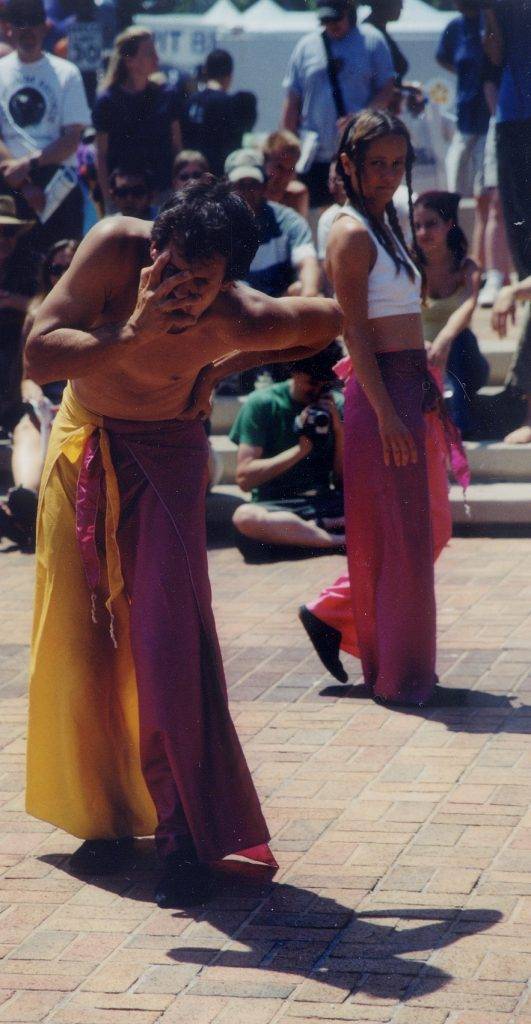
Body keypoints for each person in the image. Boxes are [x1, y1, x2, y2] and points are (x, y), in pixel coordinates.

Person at [24, 176, 342, 907]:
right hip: (82, 448)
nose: (179, 292)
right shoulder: (111, 247)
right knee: (78, 644)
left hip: (165, 463)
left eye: (199, 284)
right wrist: (132, 333)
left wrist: (220, 364)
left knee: (169, 648)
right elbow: (40, 355)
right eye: (168, 271)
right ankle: (101, 819)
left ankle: (183, 841)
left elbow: (328, 318)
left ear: (226, 281)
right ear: (153, 248)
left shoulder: (240, 314)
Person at [299, 111, 467, 707]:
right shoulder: (348, 231)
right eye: (376, 164)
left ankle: (394, 657)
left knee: (420, 530)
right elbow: (355, 333)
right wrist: (389, 412)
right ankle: (401, 675)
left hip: (408, 386)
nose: (389, 175)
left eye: (398, 163)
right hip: (381, 396)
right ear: (347, 164)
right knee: (398, 538)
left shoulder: (385, 222)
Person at [230, 343, 345, 562]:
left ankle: (312, 533)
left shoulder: (336, 405)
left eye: (325, 385)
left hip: (323, 501)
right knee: (245, 517)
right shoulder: (263, 403)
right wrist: (300, 450)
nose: (317, 392)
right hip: (276, 505)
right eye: (311, 383)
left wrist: (340, 431)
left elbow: (344, 482)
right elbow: (244, 478)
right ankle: (336, 540)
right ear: (295, 372)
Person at [281, 0, 394, 214]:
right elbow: (292, 101)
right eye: (325, 19)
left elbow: (386, 90)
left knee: (354, 214)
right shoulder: (306, 46)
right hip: (313, 154)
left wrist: (361, 118)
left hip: (356, 152)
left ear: (349, 11)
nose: (331, 24)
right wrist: (287, 151)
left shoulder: (372, 40)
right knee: (313, 218)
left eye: (336, 18)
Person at [0, 237, 76, 550]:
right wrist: (37, 400)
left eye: (71, 267)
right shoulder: (36, 315)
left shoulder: (107, 311)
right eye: (57, 268)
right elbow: (28, 377)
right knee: (28, 424)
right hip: (48, 401)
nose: (63, 274)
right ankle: (23, 498)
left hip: (86, 399)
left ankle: (19, 518)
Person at [0, 0, 90, 253]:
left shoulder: (67, 73)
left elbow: (72, 138)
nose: (27, 31)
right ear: (8, 29)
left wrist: (28, 165)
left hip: (57, 181)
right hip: (11, 181)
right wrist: (24, 183)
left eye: (34, 24)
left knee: (60, 263)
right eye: (20, 24)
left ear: (45, 27)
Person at [483, 0, 531, 444]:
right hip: (515, 119)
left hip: (518, 121)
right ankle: (524, 395)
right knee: (526, 271)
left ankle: (523, 393)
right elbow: (495, 56)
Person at [414, 190, 488, 437]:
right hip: (422, 355)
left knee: (460, 343)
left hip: (461, 360)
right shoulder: (410, 267)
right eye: (418, 226)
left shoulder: (468, 266)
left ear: (448, 225)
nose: (423, 233)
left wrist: (444, 339)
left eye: (431, 224)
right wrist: (419, 342)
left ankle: (458, 430)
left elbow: (468, 306)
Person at [92, 27, 182, 212]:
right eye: (150, 53)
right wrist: (109, 202)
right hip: (124, 197)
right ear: (129, 60)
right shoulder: (108, 100)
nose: (157, 58)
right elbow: (101, 155)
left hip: (161, 195)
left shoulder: (165, 95)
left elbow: (177, 147)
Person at [436, 2, 491, 266]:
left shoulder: (488, 22)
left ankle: (478, 261)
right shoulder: (454, 28)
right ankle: (452, 259)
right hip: (463, 122)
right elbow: (443, 57)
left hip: (487, 124)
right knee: (451, 195)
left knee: (484, 197)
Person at [0, 193, 38, 446]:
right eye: (0, 231)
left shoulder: (32, 264)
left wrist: (14, 301)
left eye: (10, 232)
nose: (5, 239)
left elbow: (47, 304)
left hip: (18, 337)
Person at [182, 49, 252, 178]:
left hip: (190, 178)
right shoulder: (229, 104)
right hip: (216, 179)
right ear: (230, 75)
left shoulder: (190, 102)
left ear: (205, 71)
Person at [263, 130, 309, 219]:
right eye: (280, 167)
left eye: (291, 169)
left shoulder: (297, 195)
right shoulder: (252, 191)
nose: (285, 176)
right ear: (265, 162)